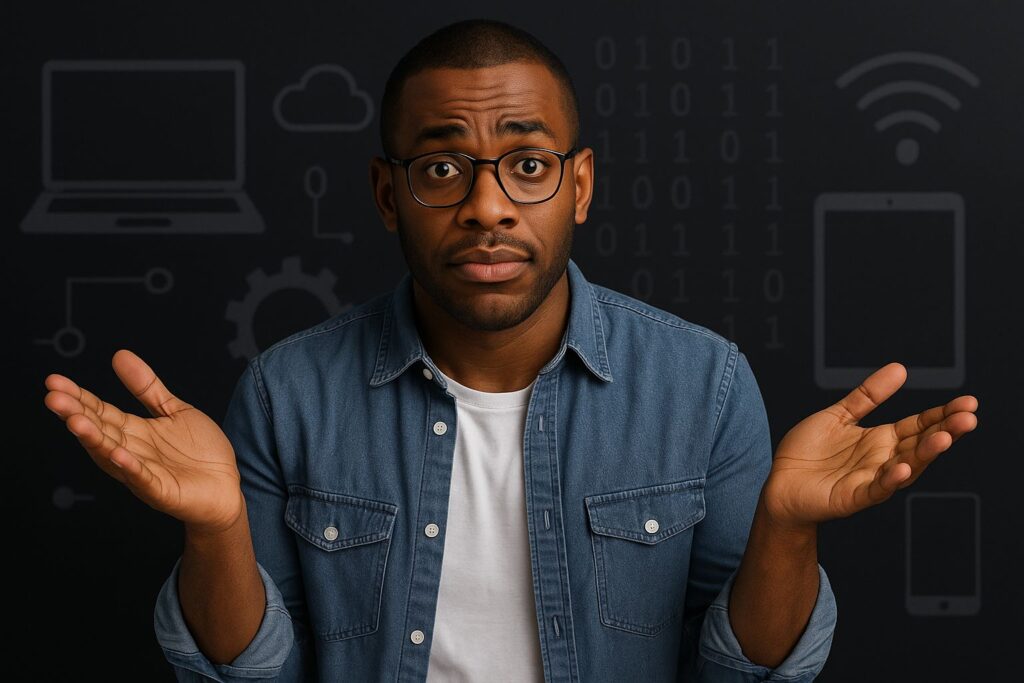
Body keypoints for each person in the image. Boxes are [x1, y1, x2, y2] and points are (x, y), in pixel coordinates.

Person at [42, 19, 980, 683]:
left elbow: (739, 677)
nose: (487, 206)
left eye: (528, 165)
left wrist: (788, 529)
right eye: (442, 167)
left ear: (580, 185)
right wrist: (216, 532)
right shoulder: (285, 393)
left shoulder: (706, 384)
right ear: (387, 194)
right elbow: (252, 677)